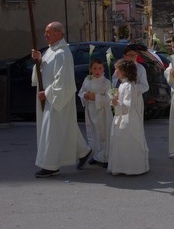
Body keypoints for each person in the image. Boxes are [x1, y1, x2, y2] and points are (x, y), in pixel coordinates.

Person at [31, 21, 91, 178]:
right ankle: (83, 151)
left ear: (59, 33)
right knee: (67, 126)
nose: (45, 35)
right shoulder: (51, 51)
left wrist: (48, 93)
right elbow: (45, 70)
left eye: (48, 32)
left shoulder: (63, 53)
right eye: (45, 32)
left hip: (58, 97)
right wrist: (38, 60)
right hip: (53, 96)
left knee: (52, 130)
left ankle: (50, 165)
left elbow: (62, 80)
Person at [108, 59, 149, 175]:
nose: (115, 71)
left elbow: (127, 106)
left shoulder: (128, 86)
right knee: (121, 142)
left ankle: (130, 167)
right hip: (122, 116)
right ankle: (122, 166)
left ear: (123, 72)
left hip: (128, 119)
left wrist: (116, 103)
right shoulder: (123, 85)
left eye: (117, 69)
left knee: (127, 141)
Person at [78, 58, 113, 168]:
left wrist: (96, 97)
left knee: (103, 134)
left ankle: (105, 157)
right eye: (94, 68)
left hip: (103, 112)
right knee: (93, 134)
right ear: (91, 69)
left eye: (100, 68)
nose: (97, 71)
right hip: (91, 111)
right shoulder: (87, 79)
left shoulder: (107, 82)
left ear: (103, 69)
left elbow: (110, 98)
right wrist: (85, 95)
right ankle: (97, 156)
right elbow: (81, 91)